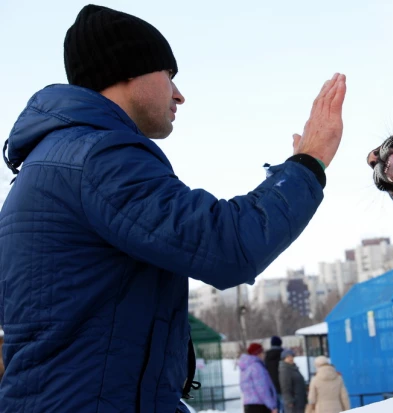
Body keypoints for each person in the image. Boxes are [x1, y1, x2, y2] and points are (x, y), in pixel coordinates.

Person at [0, 5, 346, 413]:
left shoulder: (55, 160)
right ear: (128, 70)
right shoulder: (98, 157)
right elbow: (227, 245)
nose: (179, 94)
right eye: (169, 74)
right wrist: (308, 164)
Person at [239, 343, 278, 413]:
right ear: (258, 354)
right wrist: (272, 406)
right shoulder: (257, 367)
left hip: (248, 405)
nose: (264, 355)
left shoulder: (245, 367)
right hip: (260, 406)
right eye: (263, 352)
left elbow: (242, 386)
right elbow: (262, 389)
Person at [265, 336, 285, 411]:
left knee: (275, 407)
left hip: (271, 386)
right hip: (283, 385)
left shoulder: (267, 356)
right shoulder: (283, 355)